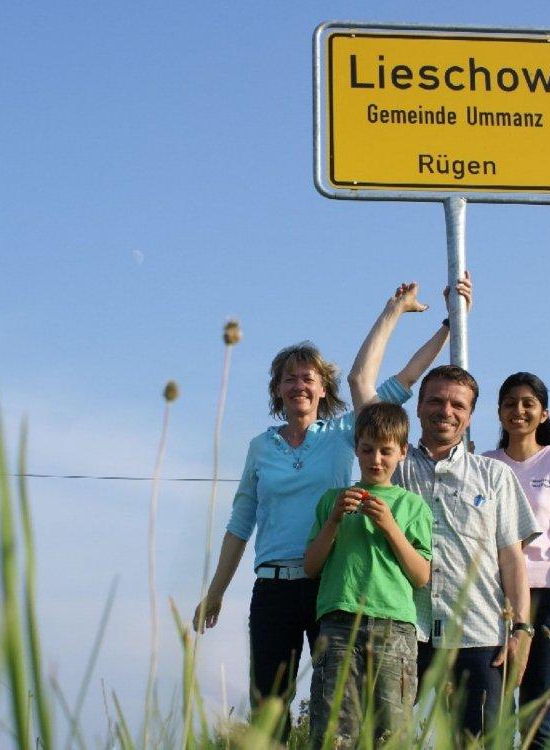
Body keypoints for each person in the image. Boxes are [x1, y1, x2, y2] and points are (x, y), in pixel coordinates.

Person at [191, 278, 470, 740]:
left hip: (328, 585)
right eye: (289, 378)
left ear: (323, 389)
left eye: (308, 378)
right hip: (275, 586)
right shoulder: (261, 448)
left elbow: (400, 380)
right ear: (276, 390)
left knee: (337, 709)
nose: (299, 385)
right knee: (271, 706)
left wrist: (441, 324)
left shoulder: (345, 431)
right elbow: (241, 522)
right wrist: (217, 589)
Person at [351, 353, 542, 739]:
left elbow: (512, 558)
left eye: (458, 404)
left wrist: (522, 628)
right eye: (436, 401)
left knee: (476, 742)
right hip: (405, 629)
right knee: (382, 739)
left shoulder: (495, 476)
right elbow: (360, 383)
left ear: (470, 416)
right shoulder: (390, 465)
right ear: (418, 407)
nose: (446, 411)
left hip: (478, 633)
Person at [303, 402, 432, 748]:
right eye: (367, 449)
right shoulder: (332, 500)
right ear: (356, 449)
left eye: (386, 451)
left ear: (402, 452)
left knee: (390, 734)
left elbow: (421, 576)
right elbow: (311, 566)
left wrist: (390, 526)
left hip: (394, 627)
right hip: (338, 624)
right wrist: (332, 521)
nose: (376, 459)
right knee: (332, 733)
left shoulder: (412, 506)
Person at [482, 372, 550, 750]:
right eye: (510, 403)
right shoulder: (486, 463)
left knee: (538, 714)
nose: (518, 411)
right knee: (492, 708)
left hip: (545, 593)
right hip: (493, 596)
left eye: (528, 404)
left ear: (544, 414)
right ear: (498, 412)